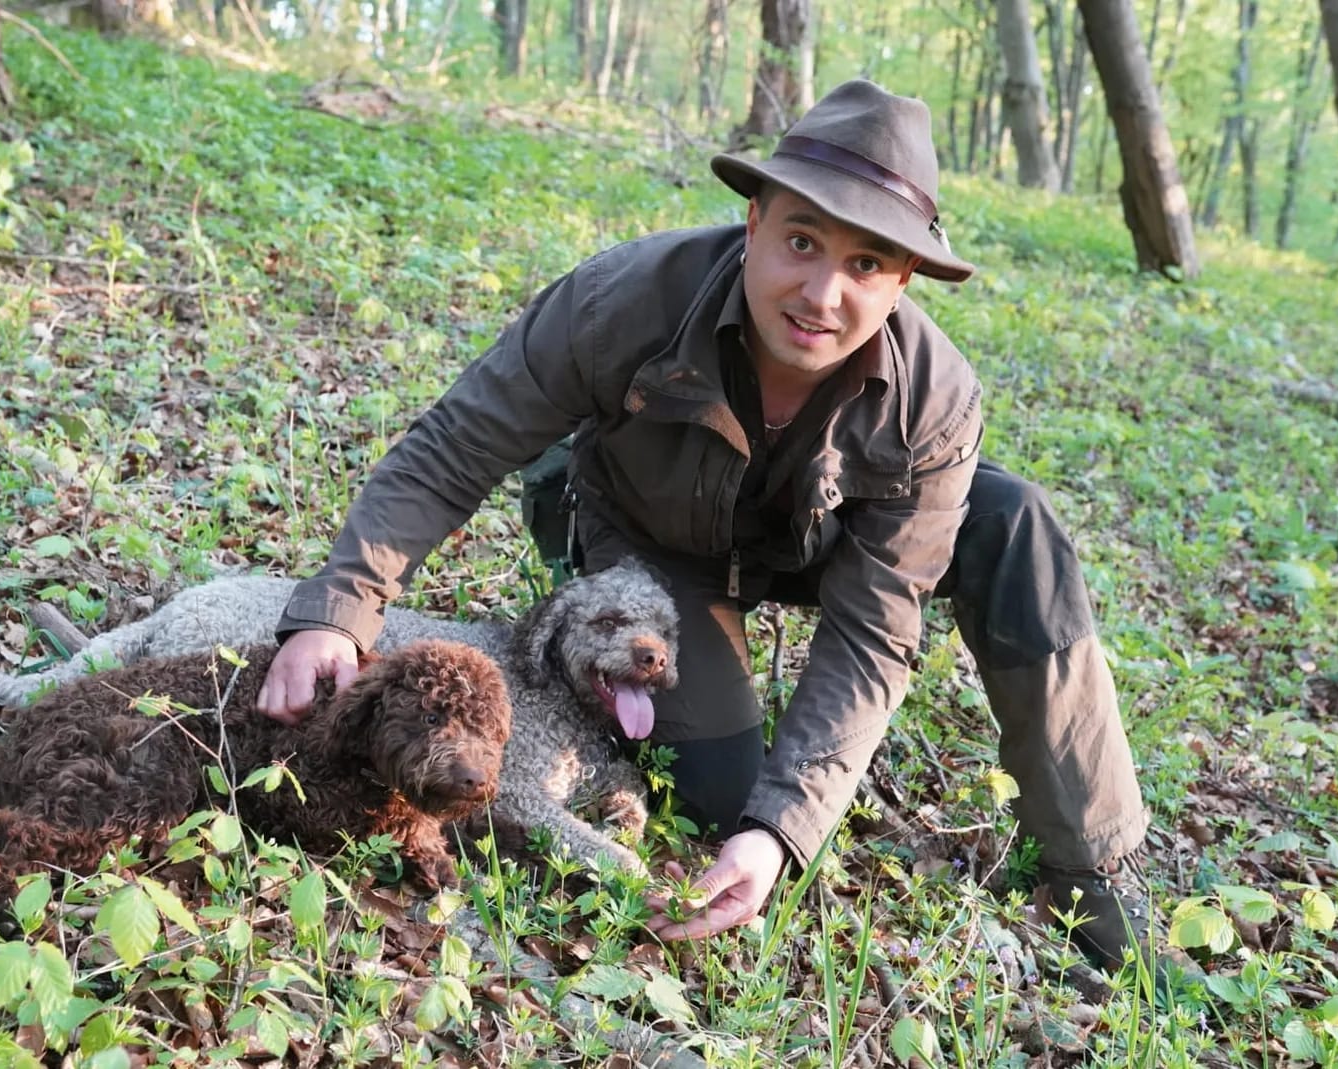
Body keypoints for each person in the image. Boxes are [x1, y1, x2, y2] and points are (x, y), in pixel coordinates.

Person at [257, 80, 1154, 970]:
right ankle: (615, 567)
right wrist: (340, 608)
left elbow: (875, 633)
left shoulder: (938, 399)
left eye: (867, 265)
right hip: (656, 543)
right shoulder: (621, 301)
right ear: (754, 219)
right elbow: (456, 443)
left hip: (824, 541)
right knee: (723, 801)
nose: (823, 293)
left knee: (1015, 524)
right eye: (802, 241)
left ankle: (1093, 870)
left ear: (905, 279)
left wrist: (785, 829)